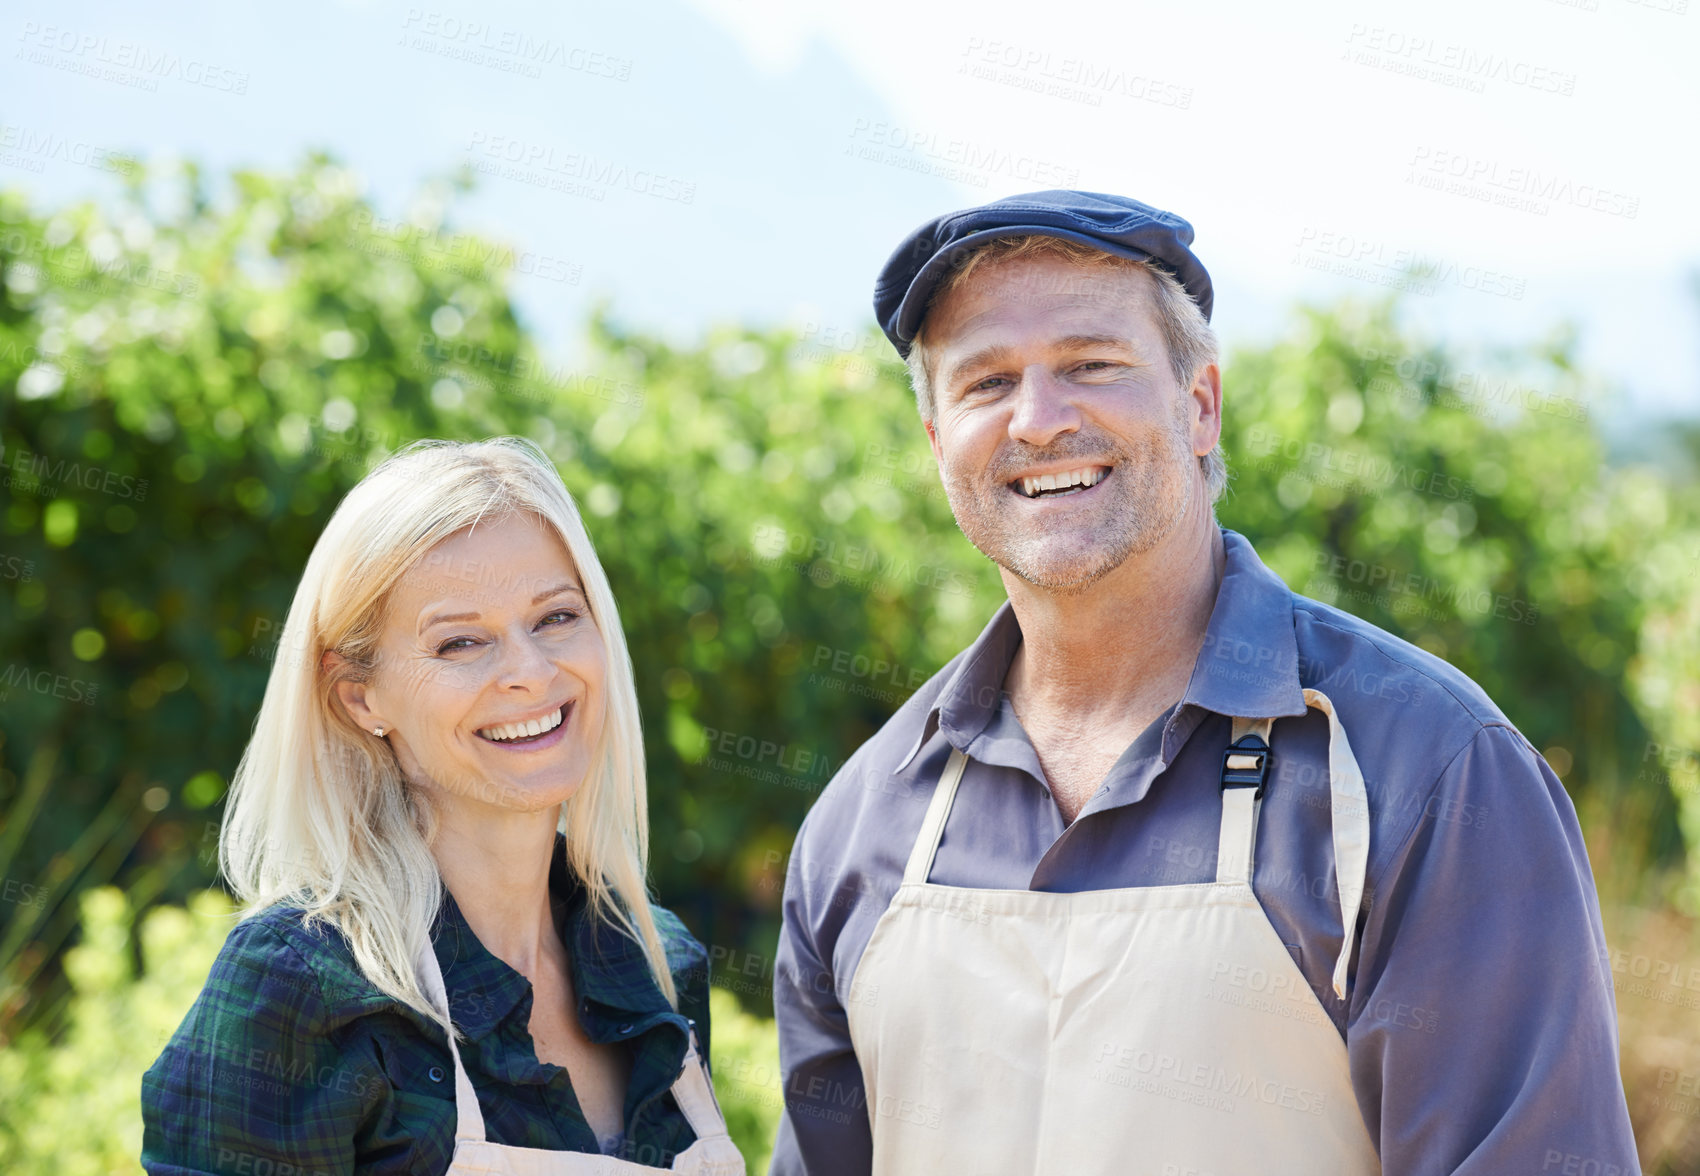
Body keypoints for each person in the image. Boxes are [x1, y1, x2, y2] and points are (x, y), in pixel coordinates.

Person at [768, 192, 1641, 1175]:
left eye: (1090, 364)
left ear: (1198, 406)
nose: (1038, 419)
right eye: (984, 381)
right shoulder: (862, 822)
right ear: (937, 446)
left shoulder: (1429, 771)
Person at [142, 437, 744, 1176]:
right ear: (360, 697)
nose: (530, 672)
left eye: (555, 618)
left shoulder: (658, 963)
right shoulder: (301, 985)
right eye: (460, 642)